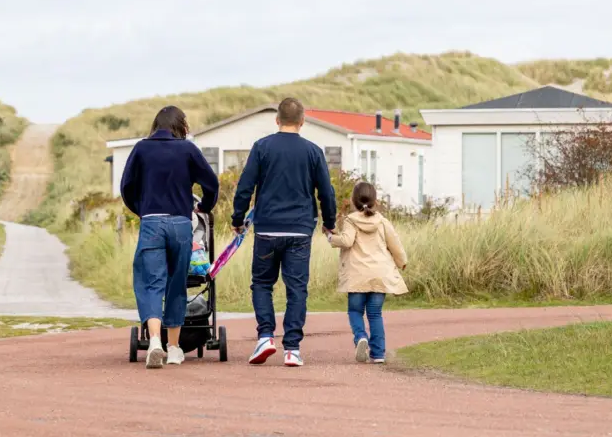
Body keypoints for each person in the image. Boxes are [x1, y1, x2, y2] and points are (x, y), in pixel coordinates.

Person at [231, 97, 337, 367]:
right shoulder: (313, 151)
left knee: (263, 284)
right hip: (300, 230)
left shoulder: (262, 147)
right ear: (302, 122)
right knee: (297, 288)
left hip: (267, 228)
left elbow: (245, 186)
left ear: (277, 120)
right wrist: (329, 221)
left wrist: (238, 218)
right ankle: (292, 348)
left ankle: (266, 336)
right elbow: (326, 191)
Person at [120, 106, 219, 369]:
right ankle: (174, 348)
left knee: (151, 283)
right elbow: (212, 183)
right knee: (177, 283)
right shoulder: (187, 150)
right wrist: (204, 206)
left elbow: (126, 187)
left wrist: (142, 210)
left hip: (152, 222)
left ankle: (154, 341)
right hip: (180, 223)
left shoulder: (141, 148)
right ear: (180, 126)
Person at [327, 181, 407, 364]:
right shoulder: (382, 222)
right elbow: (395, 244)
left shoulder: (350, 220)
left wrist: (331, 237)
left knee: (355, 311)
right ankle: (378, 354)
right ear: (375, 200)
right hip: (380, 274)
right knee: (375, 314)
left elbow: (347, 241)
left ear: (354, 201)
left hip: (357, 276)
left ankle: (361, 337)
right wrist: (402, 261)